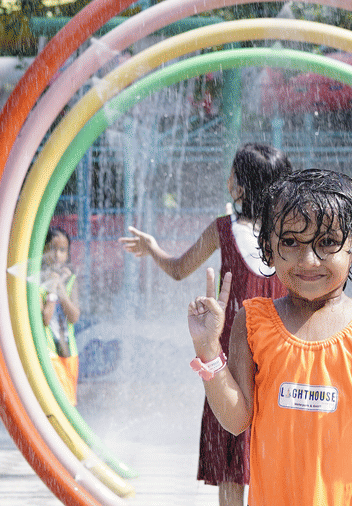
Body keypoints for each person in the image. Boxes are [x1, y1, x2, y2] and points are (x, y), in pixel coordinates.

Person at [187, 168, 352, 505]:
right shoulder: (253, 321)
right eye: (291, 242)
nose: (308, 260)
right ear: (268, 247)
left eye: (327, 242)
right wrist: (208, 349)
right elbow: (237, 420)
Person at [119, 143, 293, 506]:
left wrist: (154, 249)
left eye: (232, 174)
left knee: (232, 462)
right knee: (278, 454)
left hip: (229, 365)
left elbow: (180, 268)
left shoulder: (224, 230)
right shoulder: (289, 237)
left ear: (239, 188)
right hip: (280, 362)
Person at [40, 226, 82, 406]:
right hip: (48, 354)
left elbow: (74, 316)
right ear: (42, 251)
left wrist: (61, 288)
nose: (57, 255)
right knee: (54, 404)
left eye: (62, 250)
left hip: (69, 352)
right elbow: (45, 318)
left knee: (69, 404)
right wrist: (52, 290)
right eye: (52, 249)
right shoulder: (37, 283)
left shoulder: (71, 280)